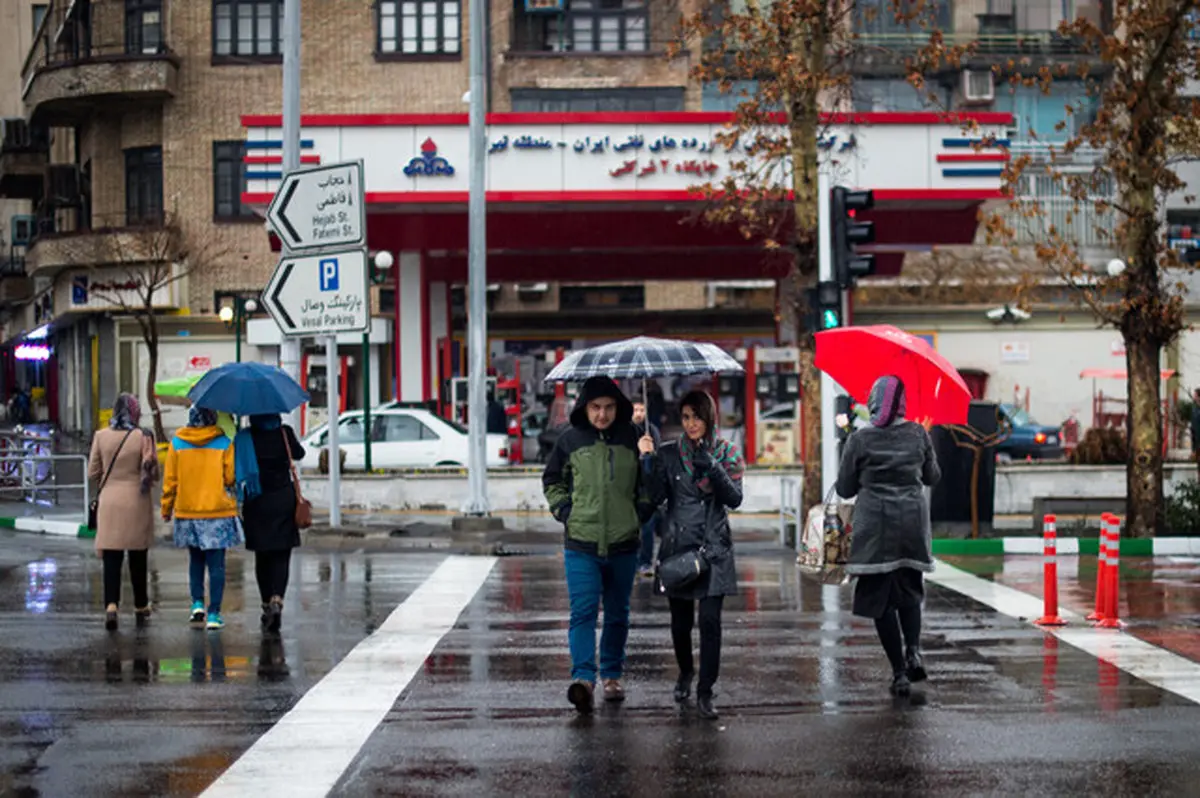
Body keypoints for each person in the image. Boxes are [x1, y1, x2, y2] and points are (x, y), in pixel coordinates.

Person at [543, 376, 653, 714]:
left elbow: (648, 486)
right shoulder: (570, 440)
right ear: (584, 408)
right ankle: (583, 679)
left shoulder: (633, 437)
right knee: (583, 613)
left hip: (624, 543)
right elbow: (552, 479)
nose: (602, 414)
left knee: (618, 613)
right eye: (595, 407)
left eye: (607, 407)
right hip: (581, 543)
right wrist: (565, 512)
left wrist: (648, 463)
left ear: (617, 407)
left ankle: (612, 676)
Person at [640, 390, 744, 720]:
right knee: (681, 623)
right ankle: (685, 671)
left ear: (709, 417)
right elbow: (656, 496)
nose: (691, 424)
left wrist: (712, 468)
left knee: (710, 622)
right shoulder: (670, 454)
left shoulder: (726, 452)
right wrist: (648, 461)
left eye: (697, 417)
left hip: (714, 548)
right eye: (685, 417)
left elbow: (734, 498)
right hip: (679, 546)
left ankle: (706, 690)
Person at [835, 375, 941, 697]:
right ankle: (913, 651)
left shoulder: (860, 439)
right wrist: (924, 445)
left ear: (874, 400)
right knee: (909, 592)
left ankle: (898, 673)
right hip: (911, 525)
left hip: (873, 532)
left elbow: (845, 488)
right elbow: (932, 477)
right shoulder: (917, 433)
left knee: (881, 602)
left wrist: (846, 444)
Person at [162, 406, 240, 631]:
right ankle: (214, 614)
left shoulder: (177, 443)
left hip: (188, 512)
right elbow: (230, 477)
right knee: (216, 565)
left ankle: (197, 603)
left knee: (195, 560)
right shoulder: (224, 443)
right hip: (217, 512)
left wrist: (167, 508)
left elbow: (171, 481)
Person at [88, 393, 158, 631]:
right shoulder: (143, 436)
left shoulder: (101, 436)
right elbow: (152, 470)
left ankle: (111, 606)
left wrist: (108, 484)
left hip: (109, 501)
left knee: (111, 558)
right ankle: (140, 604)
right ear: (134, 411)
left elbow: (92, 472)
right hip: (136, 500)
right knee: (138, 555)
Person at [235, 414, 306, 634]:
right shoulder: (284, 433)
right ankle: (278, 599)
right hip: (283, 499)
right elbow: (299, 454)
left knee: (262, 555)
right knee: (281, 554)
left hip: (256, 501)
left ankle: (266, 603)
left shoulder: (246, 437)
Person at [632, 400, 662, 577]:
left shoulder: (652, 431)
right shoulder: (625, 431)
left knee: (647, 528)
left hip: (646, 487)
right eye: (635, 409)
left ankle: (645, 562)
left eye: (641, 410)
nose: (638, 413)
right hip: (629, 486)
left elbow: (658, 458)